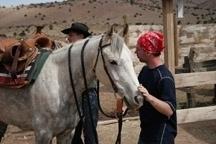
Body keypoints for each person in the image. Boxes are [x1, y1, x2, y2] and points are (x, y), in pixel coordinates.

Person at [135, 31, 177, 144]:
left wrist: (149, 97)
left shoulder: (164, 77)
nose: (135, 52)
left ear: (148, 51)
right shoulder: (145, 71)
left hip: (162, 136)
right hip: (146, 132)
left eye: (138, 49)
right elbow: (138, 96)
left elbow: (169, 110)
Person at [62, 22, 99, 144]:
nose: (68, 38)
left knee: (90, 131)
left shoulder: (91, 53)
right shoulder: (68, 54)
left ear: (81, 36)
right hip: (72, 96)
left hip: (88, 94)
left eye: (71, 35)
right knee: (73, 133)